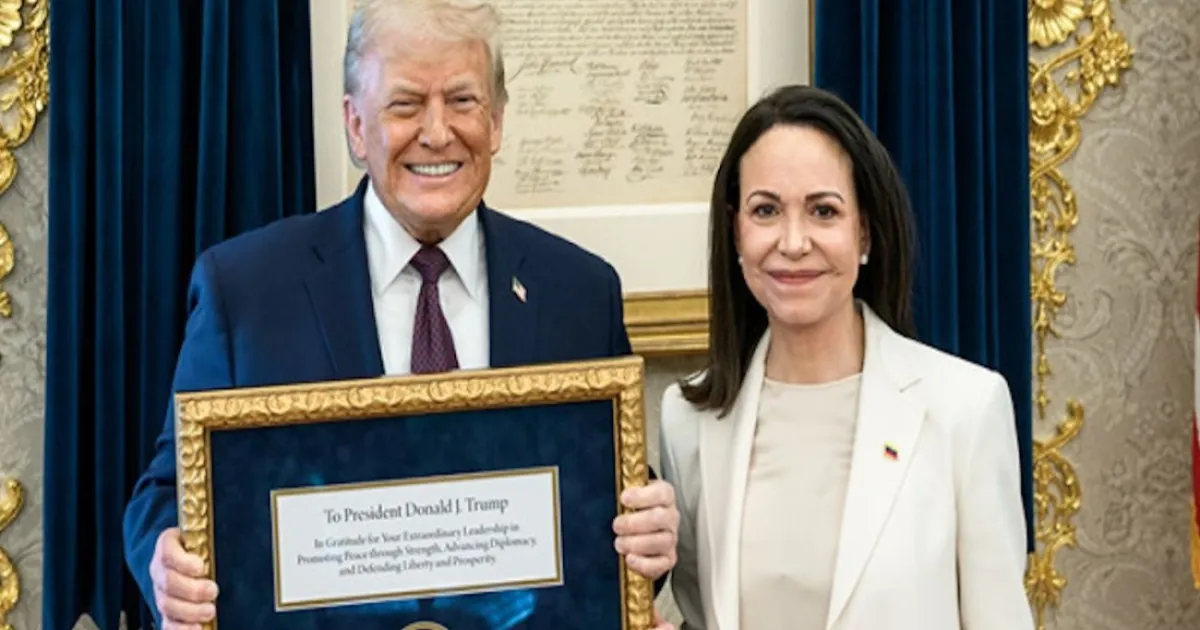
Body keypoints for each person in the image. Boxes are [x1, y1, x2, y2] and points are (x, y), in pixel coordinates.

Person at [122, 1, 679, 627]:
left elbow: (603, 496)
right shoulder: (246, 290)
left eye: (463, 102)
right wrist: (166, 562)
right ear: (356, 126)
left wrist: (651, 532)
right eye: (406, 104)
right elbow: (167, 494)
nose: (437, 133)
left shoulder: (578, 290)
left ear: (496, 121)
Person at [657, 84, 1034, 630]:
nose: (792, 242)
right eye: (766, 210)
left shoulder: (966, 410)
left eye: (823, 211)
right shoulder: (687, 419)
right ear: (736, 231)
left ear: (865, 234)